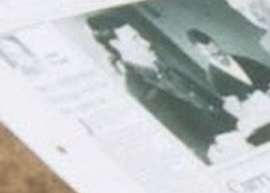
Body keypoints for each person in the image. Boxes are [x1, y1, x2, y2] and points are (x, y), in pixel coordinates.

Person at [89, 16, 231, 162]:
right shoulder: (138, 88)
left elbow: (211, 104)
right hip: (220, 153)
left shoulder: (165, 68)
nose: (147, 43)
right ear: (116, 44)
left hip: (231, 134)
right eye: (135, 39)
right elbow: (190, 144)